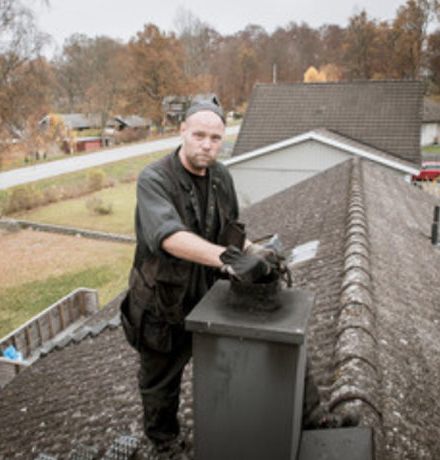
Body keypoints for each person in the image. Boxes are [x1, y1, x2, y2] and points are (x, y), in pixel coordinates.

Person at [120, 102, 275, 459]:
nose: (207, 144)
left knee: (227, 366)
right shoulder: (155, 179)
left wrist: (255, 251)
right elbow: (169, 237)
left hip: (208, 296)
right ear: (182, 132)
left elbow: (229, 232)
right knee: (161, 384)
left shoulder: (221, 177)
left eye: (216, 138)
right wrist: (231, 260)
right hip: (163, 303)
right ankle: (165, 444)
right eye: (199, 135)